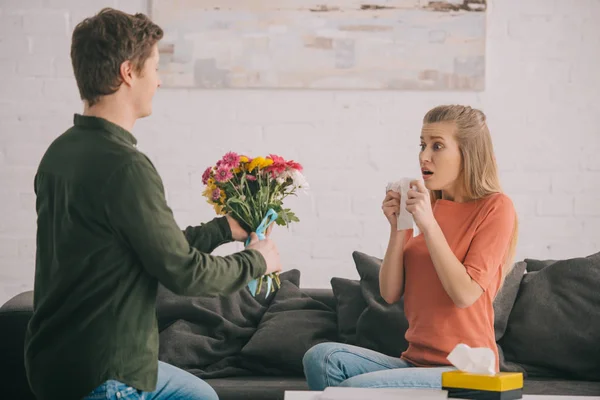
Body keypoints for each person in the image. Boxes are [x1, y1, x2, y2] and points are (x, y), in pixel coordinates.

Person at [24, 8, 281, 400]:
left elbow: (143, 247)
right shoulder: (125, 166)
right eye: (155, 68)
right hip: (106, 370)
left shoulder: (60, 153)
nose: (159, 81)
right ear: (129, 72)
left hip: (53, 361)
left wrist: (222, 229)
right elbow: (183, 273)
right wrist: (258, 260)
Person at [303, 105, 518, 390]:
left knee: (355, 389)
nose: (424, 156)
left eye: (437, 146)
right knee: (322, 357)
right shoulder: (433, 207)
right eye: (422, 145)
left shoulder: (495, 207)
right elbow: (389, 293)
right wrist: (399, 227)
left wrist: (428, 225)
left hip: (467, 370)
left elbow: (465, 293)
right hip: (415, 362)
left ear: (468, 153)